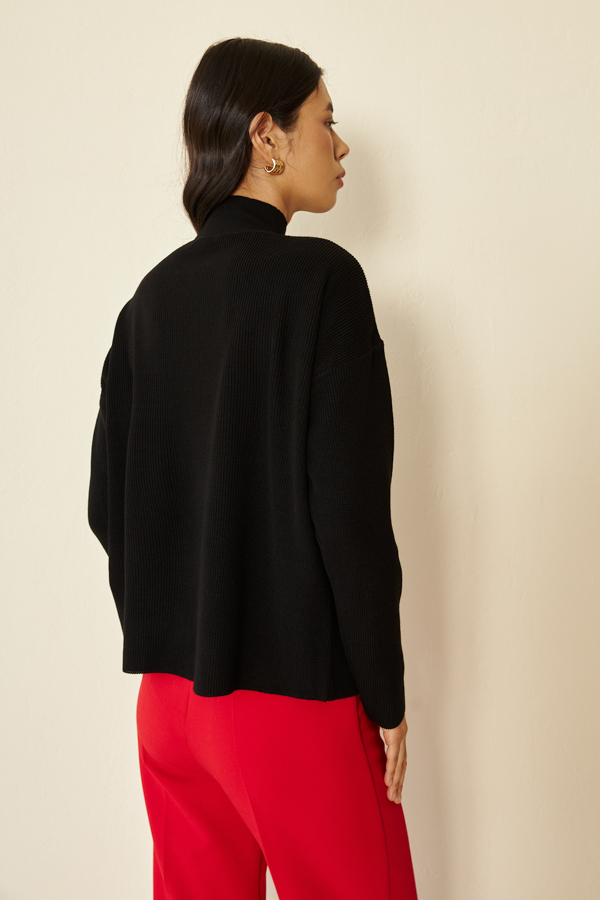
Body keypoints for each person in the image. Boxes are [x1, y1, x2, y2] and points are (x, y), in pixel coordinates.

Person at [88, 36, 419, 900]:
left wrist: (176, 628)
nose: (341, 145)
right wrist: (384, 694)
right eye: (326, 122)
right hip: (291, 704)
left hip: (170, 705)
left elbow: (107, 509)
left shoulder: (146, 304)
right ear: (266, 135)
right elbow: (348, 514)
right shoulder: (321, 282)